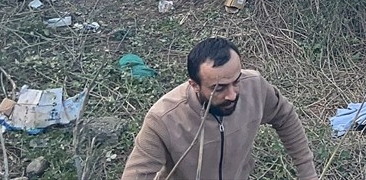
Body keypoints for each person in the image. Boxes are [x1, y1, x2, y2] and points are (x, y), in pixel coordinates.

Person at [121, 38, 318, 180]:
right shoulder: (163, 119)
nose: (232, 94)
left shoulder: (255, 86)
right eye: (219, 88)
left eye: (236, 81)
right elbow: (136, 175)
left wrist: (308, 173)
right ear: (194, 85)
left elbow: (285, 117)